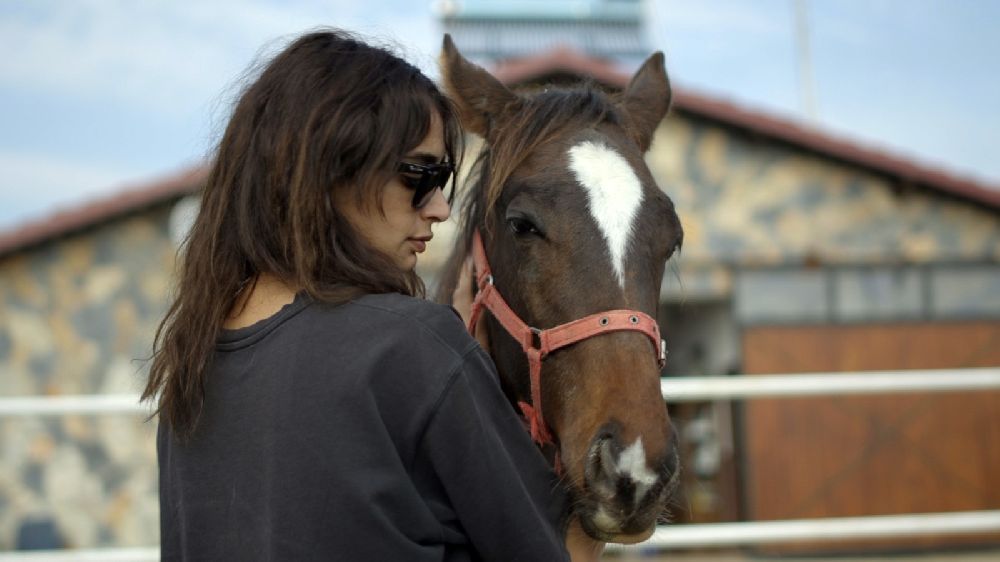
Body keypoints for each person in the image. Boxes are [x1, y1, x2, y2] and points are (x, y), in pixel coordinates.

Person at [143, 29, 584, 561]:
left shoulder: (192, 364)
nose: (440, 208)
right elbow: (561, 553)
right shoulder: (411, 347)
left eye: (444, 179)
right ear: (327, 168)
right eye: (420, 174)